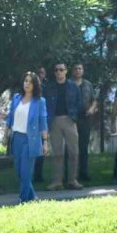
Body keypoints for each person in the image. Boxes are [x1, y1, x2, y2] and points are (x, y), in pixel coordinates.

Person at [5, 72, 49, 203]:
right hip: (16, 138)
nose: (27, 84)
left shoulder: (40, 101)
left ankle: (23, 200)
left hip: (31, 140)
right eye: (25, 81)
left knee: (25, 172)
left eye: (30, 82)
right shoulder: (16, 98)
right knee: (19, 171)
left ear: (35, 85)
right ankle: (32, 197)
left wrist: (45, 142)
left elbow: (43, 122)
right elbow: (10, 117)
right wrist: (6, 133)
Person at [43, 62, 82, 191]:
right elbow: (45, 105)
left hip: (69, 120)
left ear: (66, 71)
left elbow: (79, 102)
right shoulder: (49, 88)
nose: (59, 72)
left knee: (73, 151)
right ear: (54, 72)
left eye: (61, 70)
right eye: (56, 70)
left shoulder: (73, 86)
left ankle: (72, 180)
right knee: (58, 153)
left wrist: (74, 116)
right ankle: (57, 181)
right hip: (55, 121)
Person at [71, 63, 98, 182]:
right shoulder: (68, 84)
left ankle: (83, 173)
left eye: (80, 68)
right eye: (76, 69)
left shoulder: (88, 84)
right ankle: (71, 175)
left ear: (83, 70)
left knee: (83, 147)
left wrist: (92, 109)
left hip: (85, 119)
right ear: (72, 71)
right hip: (72, 119)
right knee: (71, 147)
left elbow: (94, 100)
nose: (78, 70)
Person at [33, 65, 48, 183]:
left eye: (42, 73)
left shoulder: (46, 88)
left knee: (41, 148)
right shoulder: (29, 88)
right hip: (30, 122)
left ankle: (38, 175)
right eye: (38, 72)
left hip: (41, 122)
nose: (40, 75)